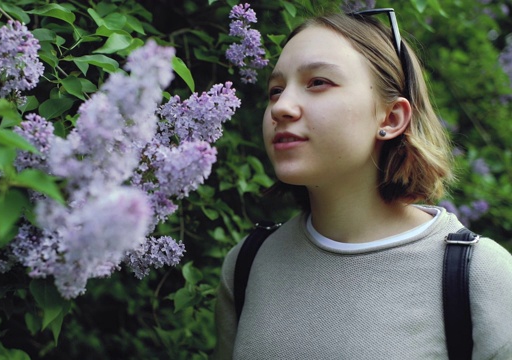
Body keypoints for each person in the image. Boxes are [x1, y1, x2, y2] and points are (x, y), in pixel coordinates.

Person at [214, 9, 512, 360]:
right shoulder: (249, 264)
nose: (282, 107)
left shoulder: (480, 276)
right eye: (275, 90)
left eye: (317, 82)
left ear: (391, 118)